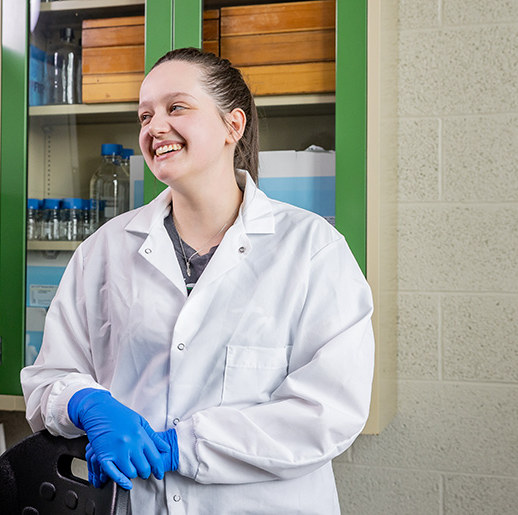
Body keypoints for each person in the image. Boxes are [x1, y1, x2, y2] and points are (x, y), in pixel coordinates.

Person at [21, 47, 375, 514]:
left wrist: (180, 446)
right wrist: (85, 401)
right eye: (145, 115)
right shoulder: (104, 251)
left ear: (234, 125)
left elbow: (327, 412)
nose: (154, 127)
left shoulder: (312, 249)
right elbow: (48, 378)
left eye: (176, 107)